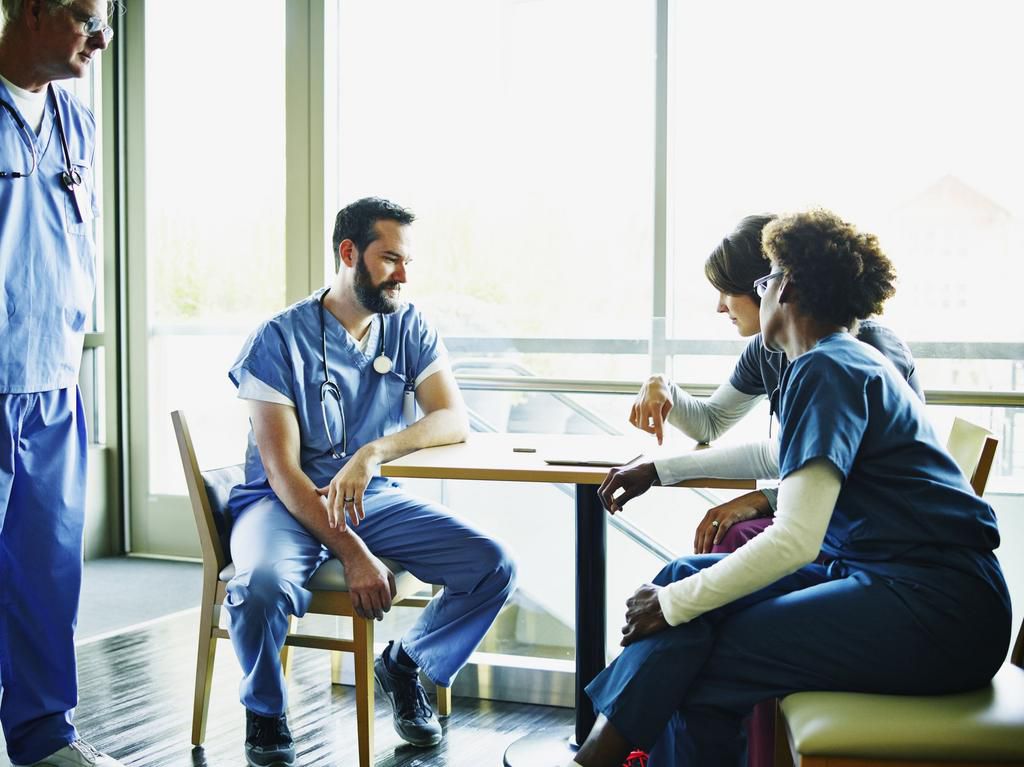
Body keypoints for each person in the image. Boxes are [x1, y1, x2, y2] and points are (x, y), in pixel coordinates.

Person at [576, 209, 1011, 767]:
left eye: (765, 281)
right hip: (886, 578)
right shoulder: (828, 362)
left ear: (788, 289)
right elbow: (784, 460)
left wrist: (674, 606)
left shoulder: (830, 368)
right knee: (682, 575)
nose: (754, 295)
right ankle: (600, 754)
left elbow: (795, 540)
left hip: (941, 610)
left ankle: (598, 756)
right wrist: (661, 483)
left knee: (703, 656)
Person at [224, 197, 516, 767]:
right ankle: (265, 709)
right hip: (282, 502)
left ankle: (405, 664)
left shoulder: (407, 325)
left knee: (491, 564)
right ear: (349, 253)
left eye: (407, 261)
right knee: (260, 586)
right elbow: (282, 472)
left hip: (369, 497)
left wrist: (373, 452)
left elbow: (451, 418)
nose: (403, 275)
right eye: (389, 259)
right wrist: (354, 554)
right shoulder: (278, 339)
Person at [628, 214, 922, 556]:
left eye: (728, 291)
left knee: (726, 539)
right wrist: (662, 386)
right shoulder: (768, 349)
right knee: (717, 544)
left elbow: (854, 467)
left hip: (872, 523)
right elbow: (713, 423)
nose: (720, 307)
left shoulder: (861, 347)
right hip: (830, 514)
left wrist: (764, 499)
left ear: (774, 285)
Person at [0, 2, 120, 766]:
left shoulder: (77, 123)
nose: (101, 39)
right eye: (88, 18)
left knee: (47, 574)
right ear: (36, 10)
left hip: (52, 381)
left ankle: (46, 739)